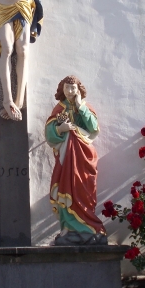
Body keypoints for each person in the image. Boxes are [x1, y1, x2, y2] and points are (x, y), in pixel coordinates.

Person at [45, 75, 107, 245]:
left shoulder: (85, 107)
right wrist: (61, 128)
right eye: (67, 88)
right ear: (62, 90)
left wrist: (80, 106)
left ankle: (89, 226)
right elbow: (49, 133)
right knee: (66, 187)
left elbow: (93, 128)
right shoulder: (59, 109)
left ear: (79, 90)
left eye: (73, 88)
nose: (70, 91)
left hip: (84, 155)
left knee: (85, 188)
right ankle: (68, 228)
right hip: (67, 156)